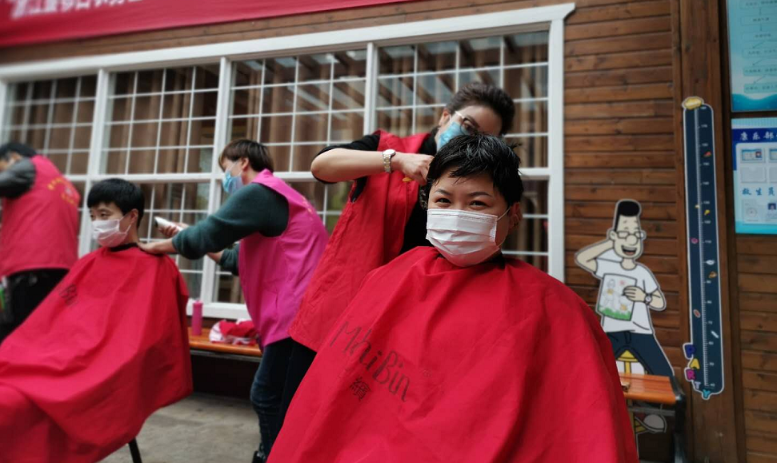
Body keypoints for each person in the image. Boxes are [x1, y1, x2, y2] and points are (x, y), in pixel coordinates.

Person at [269, 135, 638, 463]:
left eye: (477, 204)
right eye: (444, 200)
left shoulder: (556, 310)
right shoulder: (386, 279)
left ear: (513, 215)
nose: (457, 215)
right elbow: (329, 403)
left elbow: (578, 433)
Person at [285, 83, 515, 413]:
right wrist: (394, 160)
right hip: (341, 309)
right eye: (467, 126)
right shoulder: (390, 148)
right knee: (302, 412)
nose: (469, 140)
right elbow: (322, 165)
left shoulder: (474, 185)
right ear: (445, 116)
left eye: (483, 138)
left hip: (405, 327)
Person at [141, 139, 328, 463]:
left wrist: (154, 247)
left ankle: (273, 456)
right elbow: (233, 258)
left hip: (294, 315)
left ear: (242, 163)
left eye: (225, 167)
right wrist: (190, 236)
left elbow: (207, 235)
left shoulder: (258, 193)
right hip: (308, 313)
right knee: (285, 399)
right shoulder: (283, 196)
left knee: (266, 395)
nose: (224, 176)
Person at [0, 178, 192, 462]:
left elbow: (148, 338)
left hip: (99, 369)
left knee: (10, 406)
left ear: (132, 216)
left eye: (104, 215)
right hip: (55, 359)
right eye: (92, 216)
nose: (97, 223)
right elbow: (48, 321)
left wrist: (91, 359)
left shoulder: (156, 268)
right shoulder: (88, 263)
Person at [575, 199, 673, 376]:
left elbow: (659, 302)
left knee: (664, 373)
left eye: (636, 234)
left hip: (640, 332)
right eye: (625, 234)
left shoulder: (642, 272)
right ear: (614, 236)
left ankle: (664, 396)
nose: (631, 240)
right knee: (594, 370)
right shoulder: (609, 266)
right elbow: (583, 258)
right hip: (613, 331)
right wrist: (610, 242)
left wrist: (644, 297)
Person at [0, 142, 80, 344]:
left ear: (13, 157)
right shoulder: (64, 183)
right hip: (62, 270)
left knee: (18, 334)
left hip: (31, 266)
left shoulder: (29, 166)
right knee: (43, 335)